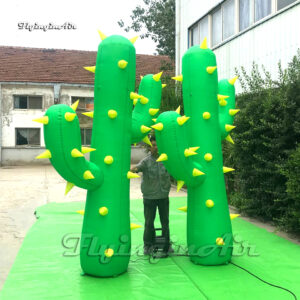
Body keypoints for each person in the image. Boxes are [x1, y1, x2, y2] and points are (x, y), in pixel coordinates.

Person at [131, 135, 172, 256]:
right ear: (150, 147)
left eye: (158, 145)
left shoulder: (167, 160)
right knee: (149, 222)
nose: (156, 147)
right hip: (150, 198)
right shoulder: (146, 162)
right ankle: (147, 245)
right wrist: (134, 169)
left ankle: (166, 245)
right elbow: (137, 168)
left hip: (163, 196)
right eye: (154, 145)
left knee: (165, 222)